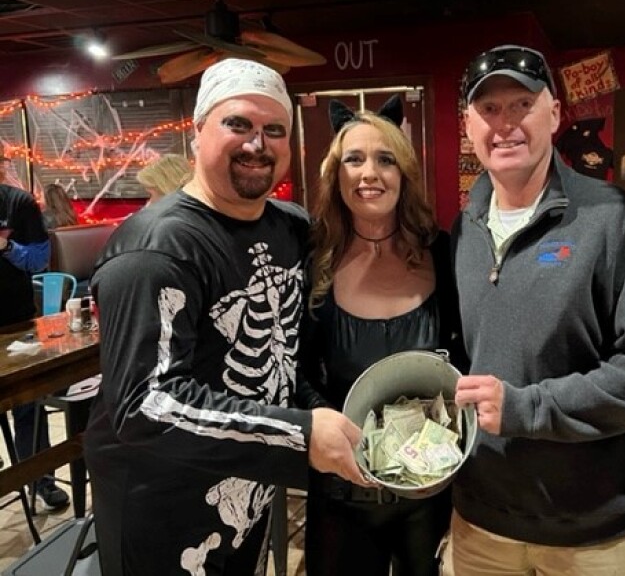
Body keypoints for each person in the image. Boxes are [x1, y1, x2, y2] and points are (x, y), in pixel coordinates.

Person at [84, 58, 370, 576]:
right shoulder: (156, 250)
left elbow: (287, 357)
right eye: (237, 124)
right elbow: (145, 406)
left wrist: (324, 414)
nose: (257, 144)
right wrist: (302, 434)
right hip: (164, 508)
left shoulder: (290, 227)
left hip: (249, 488)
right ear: (197, 133)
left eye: (273, 130)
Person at [445, 44, 625, 575]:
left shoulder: (611, 219)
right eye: (488, 109)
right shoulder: (463, 229)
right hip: (481, 523)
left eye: (521, 105)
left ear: (554, 115)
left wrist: (528, 408)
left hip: (593, 531)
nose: (504, 124)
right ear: (468, 125)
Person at [295, 95, 465, 576]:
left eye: (385, 159)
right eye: (354, 159)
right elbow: (295, 368)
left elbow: (465, 356)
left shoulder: (443, 252)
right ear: (336, 174)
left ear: (404, 173)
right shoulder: (312, 259)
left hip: (429, 488)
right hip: (340, 489)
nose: (369, 173)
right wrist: (327, 424)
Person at [0, 159, 70, 509]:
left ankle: (39, 479)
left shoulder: (19, 203)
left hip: (16, 321)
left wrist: (7, 248)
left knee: (28, 404)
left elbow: (40, 261)